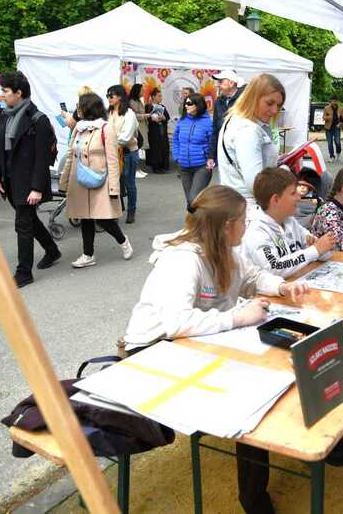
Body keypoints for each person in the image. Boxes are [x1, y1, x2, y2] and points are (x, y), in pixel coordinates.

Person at [123, 185, 308, 514]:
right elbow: (177, 323)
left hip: (195, 345)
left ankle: (272, 472)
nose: (247, 227)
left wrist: (283, 286)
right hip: (151, 352)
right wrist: (238, 316)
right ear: (227, 225)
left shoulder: (226, 248)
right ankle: (253, 498)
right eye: (244, 221)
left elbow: (252, 277)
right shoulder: (181, 261)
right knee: (249, 398)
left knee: (271, 368)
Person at [0, 71, 60, 288]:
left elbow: (42, 158)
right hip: (10, 182)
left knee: (23, 225)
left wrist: (37, 188)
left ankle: (23, 273)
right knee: (29, 221)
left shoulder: (38, 120)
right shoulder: (6, 115)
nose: (2, 95)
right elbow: (0, 150)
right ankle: (52, 250)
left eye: (5, 91)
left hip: (29, 184)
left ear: (19, 93)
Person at [59, 92, 133, 268]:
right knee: (85, 217)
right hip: (79, 181)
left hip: (101, 180)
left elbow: (113, 160)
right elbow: (71, 155)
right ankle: (88, 255)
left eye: (80, 107)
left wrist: (114, 188)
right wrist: (64, 182)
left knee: (103, 218)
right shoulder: (78, 128)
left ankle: (123, 241)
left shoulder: (106, 128)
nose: (78, 111)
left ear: (88, 108)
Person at [243, 167, 336, 277]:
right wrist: (315, 250)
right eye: (293, 193)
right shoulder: (257, 231)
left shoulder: (289, 221)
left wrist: (323, 246)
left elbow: (321, 253)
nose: (299, 198)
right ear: (276, 200)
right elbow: (274, 268)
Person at [217, 73, 284, 218]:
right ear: (253, 97)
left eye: (278, 105)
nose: (274, 111)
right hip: (251, 210)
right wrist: (284, 176)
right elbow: (256, 183)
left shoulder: (237, 120)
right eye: (270, 103)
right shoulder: (248, 129)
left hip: (238, 205)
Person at [173, 93, 214, 212]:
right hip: (184, 167)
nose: (186, 106)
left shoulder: (208, 123)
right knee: (191, 202)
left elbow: (213, 143)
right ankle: (197, 226)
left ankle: (207, 220)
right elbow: (176, 140)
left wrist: (210, 162)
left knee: (193, 199)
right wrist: (177, 157)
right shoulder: (182, 121)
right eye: (185, 103)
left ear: (198, 105)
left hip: (202, 167)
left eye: (189, 103)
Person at [107, 84, 140, 224]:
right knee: (113, 183)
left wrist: (108, 142)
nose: (108, 98)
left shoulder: (129, 114)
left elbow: (125, 137)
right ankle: (116, 210)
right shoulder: (108, 112)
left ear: (120, 97)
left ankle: (131, 211)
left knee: (129, 183)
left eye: (111, 95)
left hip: (127, 153)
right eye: (107, 95)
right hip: (112, 153)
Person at [210, 69, 244, 166]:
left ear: (231, 83)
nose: (217, 85)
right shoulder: (218, 101)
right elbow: (215, 129)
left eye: (221, 81)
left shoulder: (244, 100)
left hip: (240, 151)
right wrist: (211, 155)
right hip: (223, 151)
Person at [144, 88, 171, 174]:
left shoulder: (163, 107)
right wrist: (153, 118)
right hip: (153, 131)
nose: (161, 98)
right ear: (153, 97)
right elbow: (146, 118)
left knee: (163, 147)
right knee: (155, 148)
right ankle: (155, 166)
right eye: (159, 96)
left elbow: (167, 117)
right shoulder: (148, 106)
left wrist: (163, 118)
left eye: (161, 96)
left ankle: (163, 165)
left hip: (162, 130)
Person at [323, 96, 343, 162]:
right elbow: (323, 117)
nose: (333, 102)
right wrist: (329, 117)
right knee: (330, 143)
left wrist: (340, 124)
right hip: (328, 128)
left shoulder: (341, 109)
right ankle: (332, 156)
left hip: (336, 128)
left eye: (334, 101)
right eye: (331, 101)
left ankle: (338, 152)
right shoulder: (326, 108)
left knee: (337, 142)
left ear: (337, 101)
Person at [128, 84, 149, 155]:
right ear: (137, 91)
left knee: (140, 143)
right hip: (137, 127)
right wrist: (145, 115)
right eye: (142, 90)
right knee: (138, 144)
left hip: (142, 125)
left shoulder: (139, 101)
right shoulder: (132, 101)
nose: (143, 92)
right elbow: (133, 115)